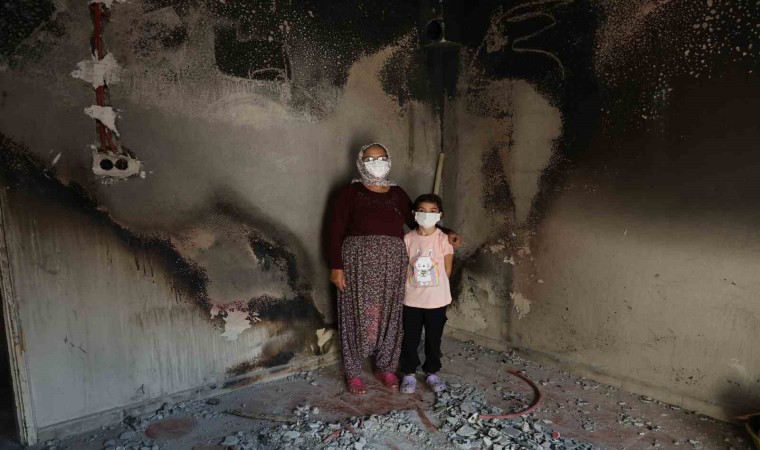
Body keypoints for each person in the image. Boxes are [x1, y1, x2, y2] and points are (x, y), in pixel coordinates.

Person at [329, 143, 461, 394]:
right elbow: (335, 230)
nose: (376, 163)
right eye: (370, 159)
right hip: (358, 263)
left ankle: (386, 367)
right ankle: (353, 372)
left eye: (381, 157)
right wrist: (336, 267)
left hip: (393, 264)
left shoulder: (397, 193)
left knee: (391, 315)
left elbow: (418, 220)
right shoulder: (349, 192)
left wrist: (448, 232)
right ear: (360, 162)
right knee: (355, 313)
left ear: (389, 160)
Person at [399, 194, 453, 394]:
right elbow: (404, 266)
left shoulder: (443, 239)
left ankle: (432, 372)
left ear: (440, 215)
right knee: (410, 338)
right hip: (411, 299)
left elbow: (447, 269)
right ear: (414, 214)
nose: (427, 215)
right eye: (422, 210)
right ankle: (409, 373)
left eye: (432, 211)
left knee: (433, 338)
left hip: (437, 300)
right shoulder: (408, 239)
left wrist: (433, 287)